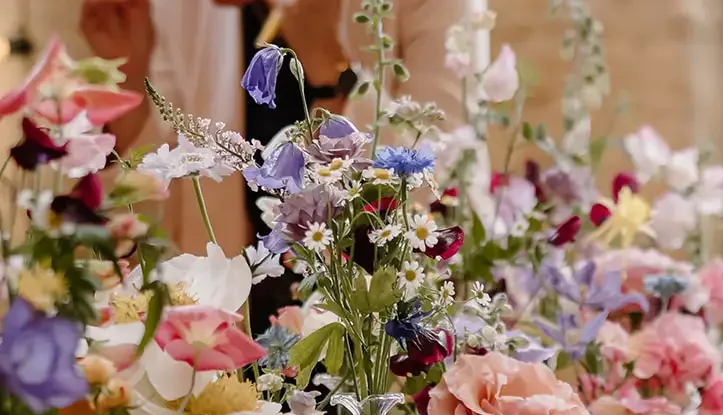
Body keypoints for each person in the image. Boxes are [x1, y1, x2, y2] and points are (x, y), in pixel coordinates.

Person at [79, 0, 462, 253]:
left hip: (376, 319)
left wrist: (332, 69)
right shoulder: (182, 11)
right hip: (229, 319)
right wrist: (128, 77)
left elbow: (437, 167)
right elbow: (155, 216)